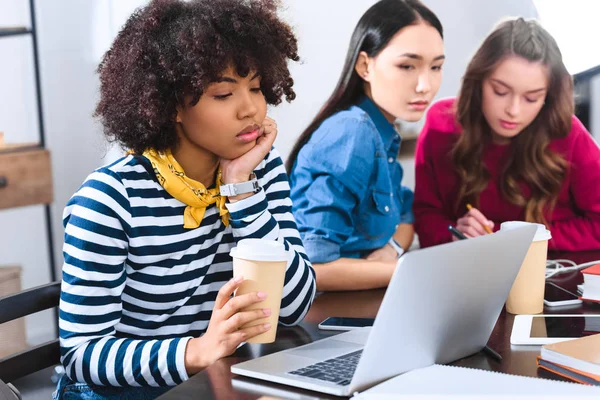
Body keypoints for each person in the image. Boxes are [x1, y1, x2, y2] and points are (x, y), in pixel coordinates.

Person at [54, 1, 316, 398]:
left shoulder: (257, 170)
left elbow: (294, 305)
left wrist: (241, 191)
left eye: (257, 87)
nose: (250, 108)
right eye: (224, 93)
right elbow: (82, 355)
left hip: (205, 386)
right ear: (172, 104)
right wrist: (196, 351)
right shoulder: (109, 202)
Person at [287, 0, 444, 291]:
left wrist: (392, 250)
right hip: (326, 317)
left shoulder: (383, 131)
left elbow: (406, 214)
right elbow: (313, 266)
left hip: (363, 303)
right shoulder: (352, 132)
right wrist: (403, 272)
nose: (426, 85)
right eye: (407, 65)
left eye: (436, 66)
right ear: (364, 65)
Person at [414, 17, 600, 251]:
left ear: (548, 97)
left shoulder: (567, 132)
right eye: (500, 91)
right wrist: (454, 235)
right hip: (466, 272)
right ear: (478, 81)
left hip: (553, 275)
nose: (513, 111)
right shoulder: (440, 124)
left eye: (531, 98)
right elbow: (425, 217)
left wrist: (515, 238)